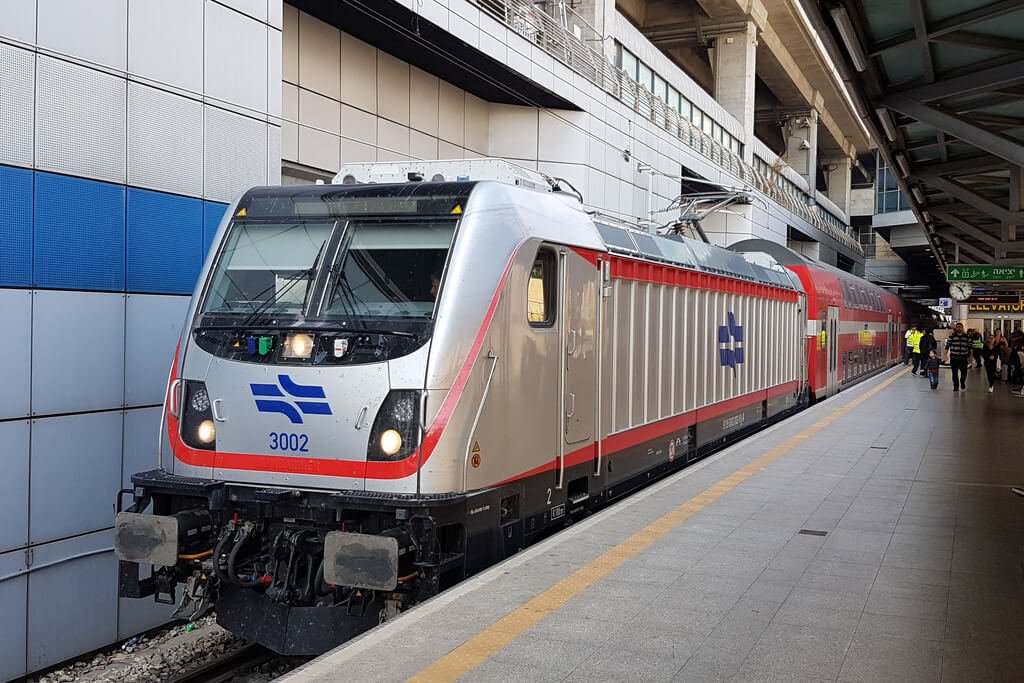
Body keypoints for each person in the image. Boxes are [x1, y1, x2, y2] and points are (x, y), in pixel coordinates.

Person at [944, 322, 972, 392]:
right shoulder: (952, 336)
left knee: (964, 372)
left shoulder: (967, 337)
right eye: (957, 327)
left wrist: (971, 357)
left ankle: (962, 382)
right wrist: (945, 355)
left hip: (963, 358)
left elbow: (970, 348)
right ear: (956, 328)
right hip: (954, 358)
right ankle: (956, 386)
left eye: (960, 327)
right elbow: (947, 346)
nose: (959, 328)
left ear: (962, 328)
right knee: (954, 373)